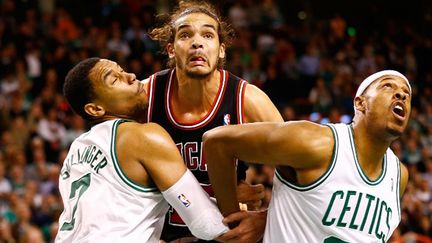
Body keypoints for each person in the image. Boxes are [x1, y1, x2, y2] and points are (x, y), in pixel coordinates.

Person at [203, 70, 411, 242]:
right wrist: (233, 221)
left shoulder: (398, 175)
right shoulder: (317, 142)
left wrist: (267, 218)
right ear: (360, 103)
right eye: (388, 86)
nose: (401, 95)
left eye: (406, 93)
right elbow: (217, 142)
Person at [143, 1, 284, 242]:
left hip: (224, 234)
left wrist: (266, 217)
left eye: (208, 35)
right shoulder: (146, 96)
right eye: (185, 35)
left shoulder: (246, 99)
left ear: (221, 50)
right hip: (158, 235)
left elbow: (300, 171)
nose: (197, 42)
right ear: (170, 49)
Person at [55, 57, 229, 242]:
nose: (130, 76)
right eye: (114, 79)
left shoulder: (76, 149)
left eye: (122, 71)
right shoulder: (141, 136)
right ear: (95, 109)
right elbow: (207, 225)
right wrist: (243, 208)